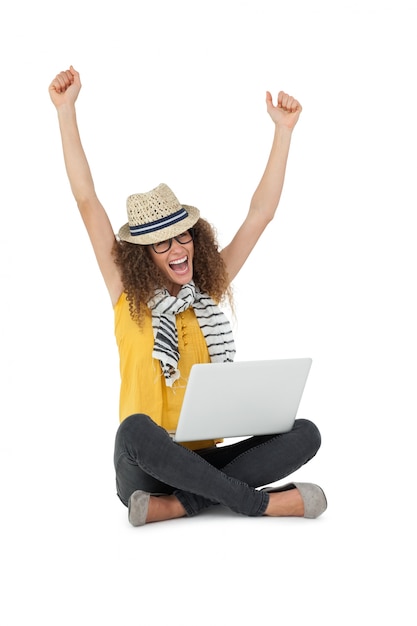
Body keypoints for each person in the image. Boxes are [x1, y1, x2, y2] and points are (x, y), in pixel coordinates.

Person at [49, 65, 326, 526]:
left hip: (203, 463)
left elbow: (259, 216)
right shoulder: (126, 295)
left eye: (183, 236)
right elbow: (86, 199)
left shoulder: (206, 291)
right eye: (162, 243)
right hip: (145, 467)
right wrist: (65, 110)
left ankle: (178, 507)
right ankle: (264, 503)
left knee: (305, 433)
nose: (178, 249)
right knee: (136, 429)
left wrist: (283, 133)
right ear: (143, 256)